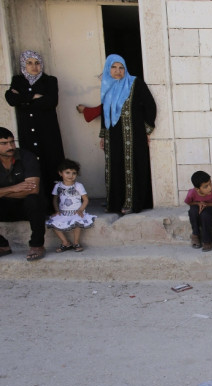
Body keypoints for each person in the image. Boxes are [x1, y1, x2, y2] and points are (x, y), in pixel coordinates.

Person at [4, 50, 65, 209]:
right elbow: (11, 99)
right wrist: (33, 97)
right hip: (28, 132)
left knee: (51, 163)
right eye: (29, 63)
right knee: (31, 165)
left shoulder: (50, 81)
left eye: (37, 63)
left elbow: (50, 102)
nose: (34, 66)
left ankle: (56, 206)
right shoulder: (18, 80)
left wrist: (22, 99)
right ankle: (38, 205)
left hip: (47, 132)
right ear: (24, 64)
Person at [99, 54, 156, 215]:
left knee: (133, 167)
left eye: (121, 67)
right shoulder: (106, 85)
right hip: (113, 136)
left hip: (134, 135)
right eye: (114, 67)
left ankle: (133, 203)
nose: (117, 71)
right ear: (108, 69)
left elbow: (150, 105)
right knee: (115, 167)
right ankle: (115, 203)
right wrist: (103, 135)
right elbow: (104, 111)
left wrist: (147, 129)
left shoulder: (135, 83)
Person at [0, 127, 47, 261]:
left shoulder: (27, 157)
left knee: (33, 199)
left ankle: (37, 245)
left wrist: (2, 192)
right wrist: (13, 188)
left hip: (28, 208)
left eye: (12, 142)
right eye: (4, 143)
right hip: (4, 208)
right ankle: (2, 245)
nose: (10, 146)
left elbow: (32, 190)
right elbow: (19, 190)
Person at [46, 159, 96, 253]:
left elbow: (85, 199)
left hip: (76, 211)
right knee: (53, 223)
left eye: (74, 173)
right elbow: (55, 199)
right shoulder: (58, 186)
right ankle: (65, 242)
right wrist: (57, 210)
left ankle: (76, 243)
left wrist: (81, 210)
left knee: (77, 224)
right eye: (67, 172)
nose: (71, 176)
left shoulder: (78, 186)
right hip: (63, 212)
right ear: (60, 173)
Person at [185, 170, 212, 252]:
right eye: (205, 186)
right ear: (198, 189)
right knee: (192, 211)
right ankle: (195, 235)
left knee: (205, 215)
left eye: (210, 183)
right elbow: (188, 202)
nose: (210, 187)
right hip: (198, 206)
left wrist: (207, 205)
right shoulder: (192, 192)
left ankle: (207, 241)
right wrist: (198, 203)